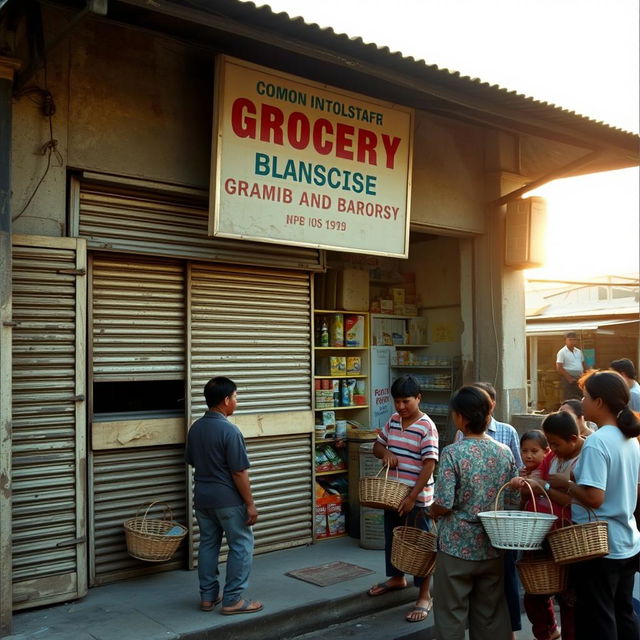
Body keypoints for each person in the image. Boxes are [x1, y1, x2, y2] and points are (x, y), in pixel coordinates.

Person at [553, 371, 640, 640]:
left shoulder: (597, 442)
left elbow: (594, 498)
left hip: (599, 545)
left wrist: (564, 483)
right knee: (623, 612)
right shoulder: (629, 439)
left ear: (599, 402)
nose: (582, 401)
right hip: (626, 540)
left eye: (586, 397)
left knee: (598, 619)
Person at [431, 385, 517, 640]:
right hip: (492, 545)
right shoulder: (504, 452)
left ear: (461, 417)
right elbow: (512, 499)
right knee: (489, 614)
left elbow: (444, 502)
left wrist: (430, 511)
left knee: (451, 614)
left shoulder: (453, 453)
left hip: (456, 546)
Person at [185, 377, 263, 615]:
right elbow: (239, 471)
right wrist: (250, 504)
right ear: (226, 400)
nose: (237, 401)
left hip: (202, 498)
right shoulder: (230, 430)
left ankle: (208, 597)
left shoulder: (196, 428)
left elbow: (192, 461)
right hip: (228, 500)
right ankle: (233, 599)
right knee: (241, 544)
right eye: (236, 397)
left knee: (208, 544)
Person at [366, 375, 439, 624]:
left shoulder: (427, 426)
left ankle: (424, 595)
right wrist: (385, 452)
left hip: (418, 499)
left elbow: (429, 465)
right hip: (393, 494)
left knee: (422, 546)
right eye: (396, 401)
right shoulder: (393, 421)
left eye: (406, 401)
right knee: (394, 538)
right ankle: (397, 578)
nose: (400, 407)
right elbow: (377, 446)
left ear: (418, 398)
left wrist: (412, 496)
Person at [454, 381, 523, 638]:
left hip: (498, 531)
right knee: (485, 597)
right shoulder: (460, 438)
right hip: (474, 535)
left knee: (504, 586)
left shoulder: (507, 434)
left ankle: (511, 631)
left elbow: (515, 478)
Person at [512, 412, 582, 640]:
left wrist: (547, 487)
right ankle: (547, 632)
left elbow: (577, 501)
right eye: (550, 443)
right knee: (535, 592)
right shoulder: (551, 460)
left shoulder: (583, 458)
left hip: (564, 536)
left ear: (573, 438)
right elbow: (530, 489)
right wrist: (527, 483)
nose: (552, 448)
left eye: (554, 444)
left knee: (568, 596)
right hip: (537, 535)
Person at [555, 332, 585, 399]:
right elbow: (559, 367)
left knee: (580, 397)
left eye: (574, 339)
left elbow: (582, 364)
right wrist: (569, 379)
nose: (572, 341)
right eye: (570, 340)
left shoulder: (579, 352)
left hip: (579, 378)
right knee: (570, 398)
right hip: (568, 379)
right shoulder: (562, 352)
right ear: (566, 340)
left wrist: (583, 376)